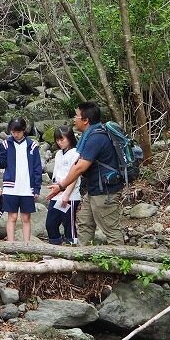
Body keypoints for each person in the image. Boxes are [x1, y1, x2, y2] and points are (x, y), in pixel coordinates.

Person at [46, 102, 124, 245]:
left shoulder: (96, 138)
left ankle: (121, 263)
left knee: (111, 230)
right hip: (95, 190)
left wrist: (61, 186)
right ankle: (83, 259)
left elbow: (80, 167)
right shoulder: (89, 135)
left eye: (76, 116)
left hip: (105, 192)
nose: (74, 119)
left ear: (85, 120)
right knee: (84, 223)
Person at [0, 117, 42, 243]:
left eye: (18, 132)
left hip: (27, 187)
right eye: (13, 132)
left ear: (24, 130)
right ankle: (11, 245)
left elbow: (37, 168)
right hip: (10, 187)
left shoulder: (32, 146)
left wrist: (37, 188)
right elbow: (1, 164)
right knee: (12, 217)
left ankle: (26, 246)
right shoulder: (6, 144)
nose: (15, 134)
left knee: (26, 218)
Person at [45, 126, 80, 245]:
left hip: (70, 195)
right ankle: (56, 248)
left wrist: (66, 194)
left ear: (69, 138)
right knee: (50, 223)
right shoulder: (59, 154)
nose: (59, 142)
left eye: (62, 139)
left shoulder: (75, 153)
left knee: (68, 225)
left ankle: (73, 250)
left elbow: (74, 176)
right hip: (57, 193)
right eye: (57, 140)